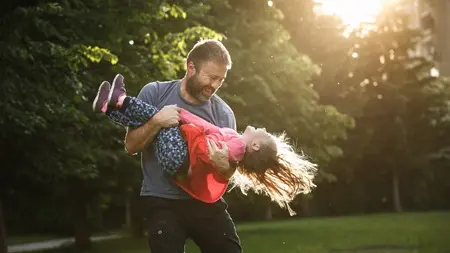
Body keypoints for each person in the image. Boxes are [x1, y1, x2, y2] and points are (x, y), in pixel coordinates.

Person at [93, 74, 317, 214]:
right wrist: (185, 117)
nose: (264, 129)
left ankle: (120, 101)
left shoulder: (237, 147)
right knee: (155, 117)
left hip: (179, 158)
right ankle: (109, 107)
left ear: (255, 146)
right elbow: (207, 129)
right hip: (178, 157)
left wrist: (183, 118)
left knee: (158, 115)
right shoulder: (233, 140)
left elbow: (209, 145)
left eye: (264, 134)